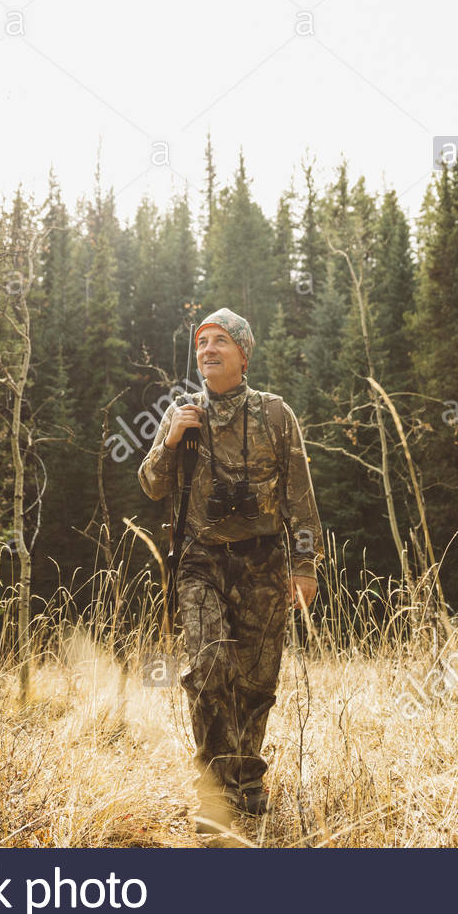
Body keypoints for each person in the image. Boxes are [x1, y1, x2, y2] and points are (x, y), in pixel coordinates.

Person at [138, 307, 322, 833]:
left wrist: (305, 566)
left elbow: (301, 501)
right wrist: (170, 441)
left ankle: (247, 778)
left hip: (265, 561)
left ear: (244, 354)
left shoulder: (275, 415)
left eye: (221, 341)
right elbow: (151, 486)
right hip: (200, 561)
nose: (208, 350)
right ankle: (214, 789)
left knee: (258, 679)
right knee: (210, 666)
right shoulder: (183, 414)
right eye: (202, 343)